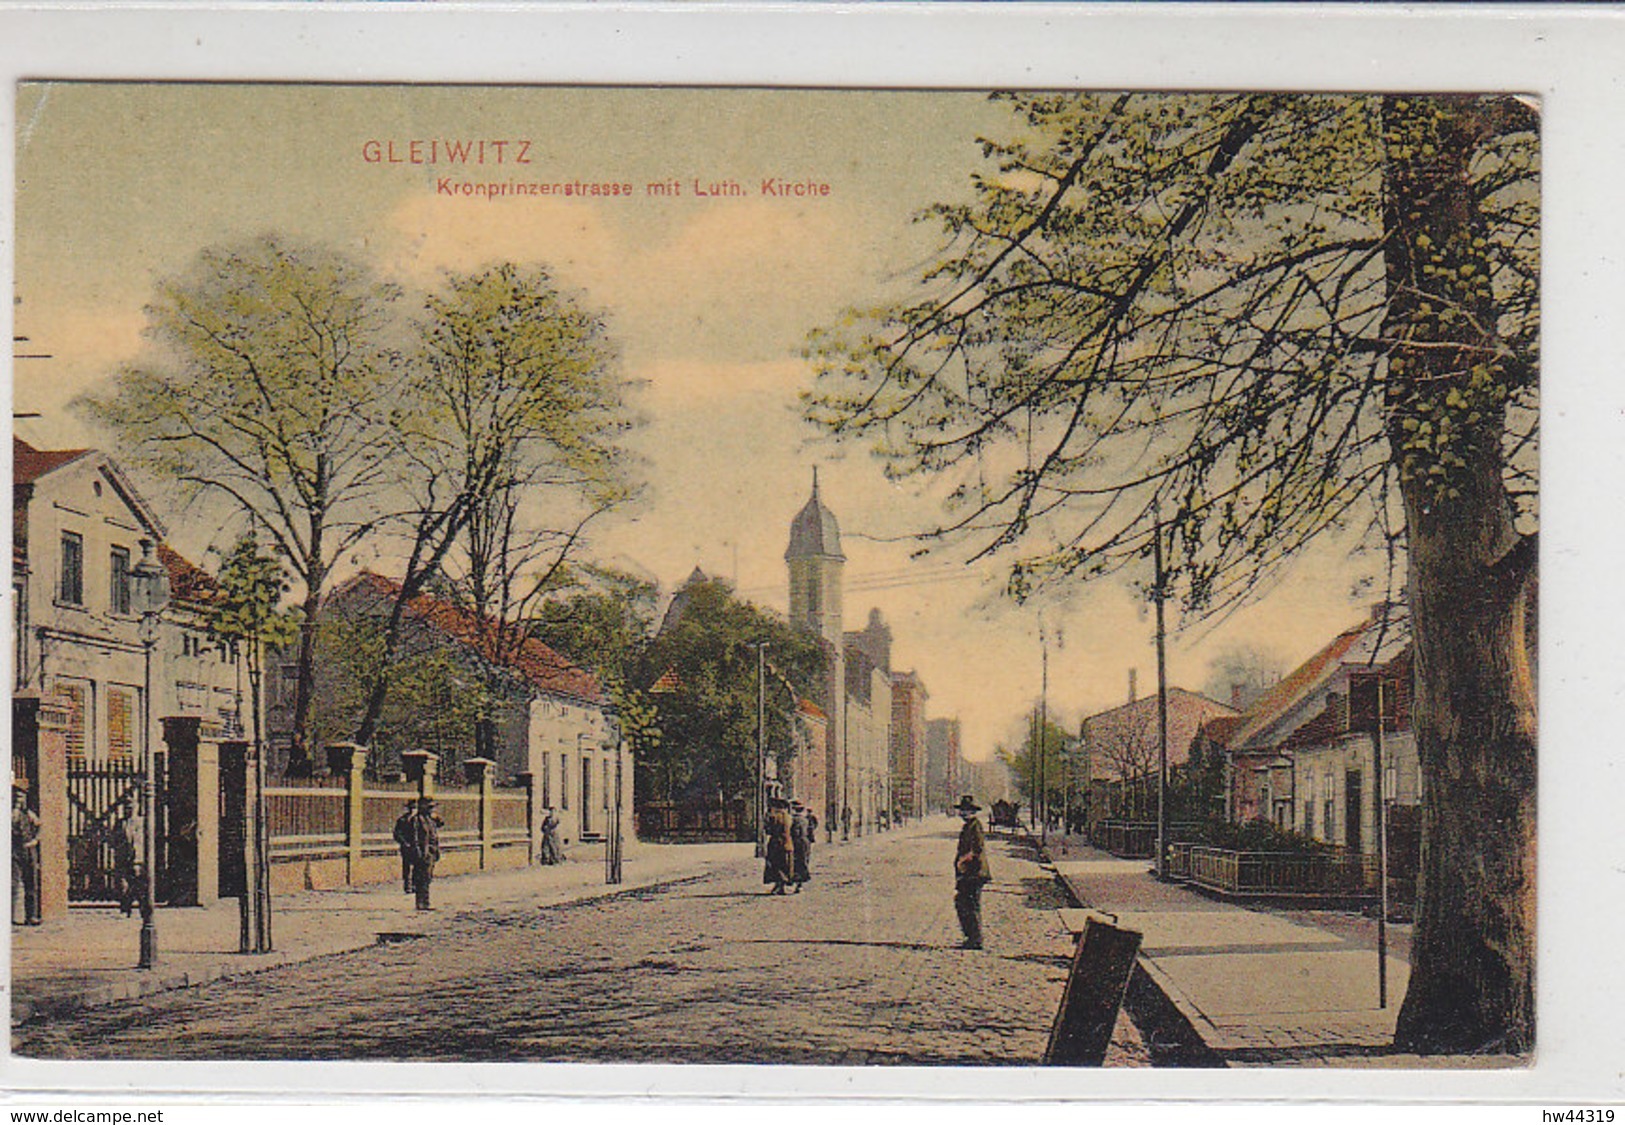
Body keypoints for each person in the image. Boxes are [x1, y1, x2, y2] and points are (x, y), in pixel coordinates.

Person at [952, 795, 990, 950]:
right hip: (967, 872)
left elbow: (977, 849)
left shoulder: (975, 826)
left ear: (972, 812)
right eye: (962, 810)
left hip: (974, 872)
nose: (962, 813)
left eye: (965, 811)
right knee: (962, 902)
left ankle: (975, 939)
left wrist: (963, 860)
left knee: (970, 904)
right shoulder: (968, 826)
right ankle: (971, 936)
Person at [111, 796, 146, 918]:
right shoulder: (120, 823)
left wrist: (139, 857)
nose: (130, 810)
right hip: (123, 858)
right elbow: (115, 840)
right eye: (127, 808)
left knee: (140, 885)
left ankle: (144, 911)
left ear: (137, 808)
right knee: (124, 886)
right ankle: (125, 910)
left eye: (132, 807)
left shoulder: (142, 822)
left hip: (138, 859)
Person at [12, 782, 41, 926]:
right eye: (16, 797)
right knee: (12, 884)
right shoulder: (9, 813)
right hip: (13, 851)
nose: (19, 800)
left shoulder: (29, 814)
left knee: (31, 883)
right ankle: (8, 917)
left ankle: (31, 916)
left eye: (21, 797)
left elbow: (40, 827)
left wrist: (35, 840)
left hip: (28, 850)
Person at [406, 797, 442, 911]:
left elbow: (441, 824)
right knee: (421, 877)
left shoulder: (430, 819)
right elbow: (415, 837)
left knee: (427, 877)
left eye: (433, 807)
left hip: (431, 851)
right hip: (422, 852)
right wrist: (417, 851)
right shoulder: (417, 820)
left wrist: (436, 816)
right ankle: (421, 903)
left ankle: (425, 902)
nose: (432, 809)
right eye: (430, 807)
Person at [762, 797, 794, 895]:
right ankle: (780, 887)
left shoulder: (775, 816)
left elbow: (769, 830)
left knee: (775, 864)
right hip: (788, 843)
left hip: (777, 843)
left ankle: (779, 886)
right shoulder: (788, 816)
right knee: (784, 864)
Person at [392, 801, 416, 893]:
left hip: (417, 846)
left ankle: (414, 885)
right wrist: (404, 842)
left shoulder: (420, 820)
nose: (412, 810)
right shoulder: (402, 820)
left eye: (414, 808)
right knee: (407, 867)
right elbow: (397, 833)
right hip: (406, 847)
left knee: (417, 867)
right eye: (411, 808)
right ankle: (407, 885)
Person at [789, 801, 813, 893]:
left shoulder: (793, 820)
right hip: (805, 842)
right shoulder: (805, 820)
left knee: (795, 862)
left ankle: (794, 883)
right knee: (803, 862)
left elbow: (794, 832)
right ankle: (800, 885)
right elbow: (811, 832)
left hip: (796, 842)